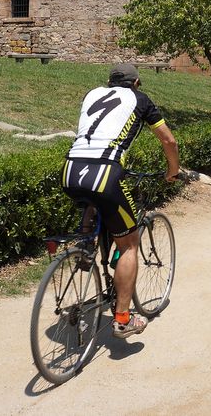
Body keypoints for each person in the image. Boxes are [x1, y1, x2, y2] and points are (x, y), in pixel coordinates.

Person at [62, 63, 180, 338]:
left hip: (70, 170)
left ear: (109, 81)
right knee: (129, 245)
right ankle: (124, 319)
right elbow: (168, 141)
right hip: (106, 172)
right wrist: (173, 171)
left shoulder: (93, 94)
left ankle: (86, 241)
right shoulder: (139, 99)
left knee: (96, 198)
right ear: (137, 82)